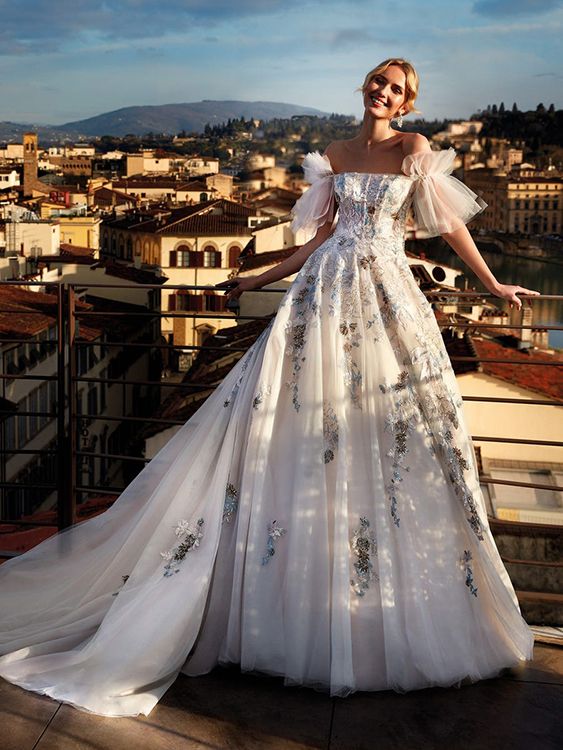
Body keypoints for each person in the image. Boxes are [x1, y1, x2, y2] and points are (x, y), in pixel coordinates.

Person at [0, 58, 539, 718]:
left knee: (392, 434)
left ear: (405, 102)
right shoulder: (334, 154)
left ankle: (375, 617)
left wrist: (490, 284)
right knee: (297, 425)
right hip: (323, 293)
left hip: (386, 297)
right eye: (378, 82)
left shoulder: (414, 149)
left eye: (396, 89)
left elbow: (448, 225)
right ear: (365, 87)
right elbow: (318, 241)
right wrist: (255, 281)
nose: (383, 92)